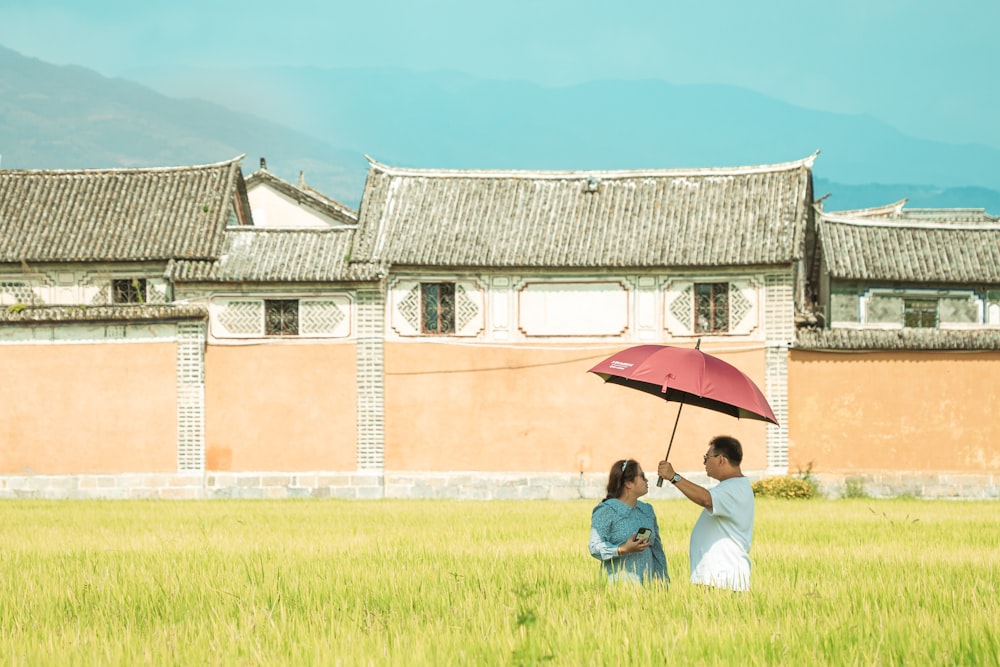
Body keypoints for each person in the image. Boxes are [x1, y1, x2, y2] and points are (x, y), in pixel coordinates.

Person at [657, 435, 754, 592]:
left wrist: (673, 477)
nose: (704, 463)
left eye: (706, 457)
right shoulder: (733, 486)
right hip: (717, 579)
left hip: (722, 579)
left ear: (721, 459)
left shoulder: (735, 488)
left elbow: (706, 499)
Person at [589, 459, 669, 585]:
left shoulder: (647, 510)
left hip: (648, 591)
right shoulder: (606, 510)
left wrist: (663, 583)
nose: (646, 480)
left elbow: (657, 550)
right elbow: (594, 547)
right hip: (617, 589)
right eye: (642, 476)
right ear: (628, 483)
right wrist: (622, 549)